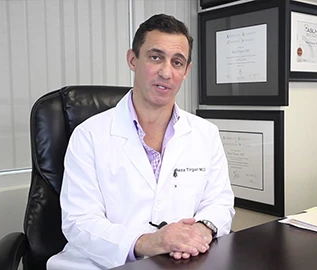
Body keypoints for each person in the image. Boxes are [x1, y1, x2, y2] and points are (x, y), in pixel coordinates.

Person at [47, 14, 235, 269]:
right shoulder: (89, 135)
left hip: (180, 262)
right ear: (133, 60)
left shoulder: (206, 133)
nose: (166, 72)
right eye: (155, 57)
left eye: (177, 62)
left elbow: (219, 202)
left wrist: (201, 231)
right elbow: (79, 222)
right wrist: (150, 242)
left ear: (186, 71)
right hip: (100, 265)